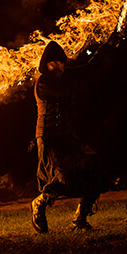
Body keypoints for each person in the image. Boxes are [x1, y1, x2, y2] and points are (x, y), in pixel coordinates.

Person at [30, 40, 111, 233]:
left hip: (68, 137)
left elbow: (89, 68)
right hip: (49, 138)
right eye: (54, 63)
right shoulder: (44, 82)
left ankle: (80, 220)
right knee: (65, 178)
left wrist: (110, 44)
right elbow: (72, 89)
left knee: (95, 170)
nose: (59, 66)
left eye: (61, 62)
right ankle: (39, 203)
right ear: (46, 65)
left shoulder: (65, 76)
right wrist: (84, 78)